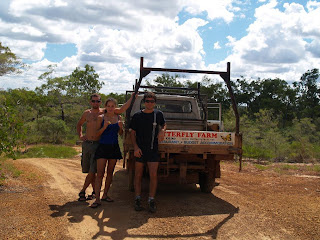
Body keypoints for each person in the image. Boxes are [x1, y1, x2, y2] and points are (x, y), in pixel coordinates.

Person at [77, 93, 135, 202]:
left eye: (97, 101)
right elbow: (80, 125)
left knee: (103, 172)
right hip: (94, 145)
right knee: (94, 172)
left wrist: (133, 97)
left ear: (100, 102)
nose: (95, 103)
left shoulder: (112, 114)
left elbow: (123, 109)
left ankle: (96, 193)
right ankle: (94, 194)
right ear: (90, 102)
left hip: (106, 146)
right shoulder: (91, 114)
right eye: (93, 101)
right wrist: (80, 135)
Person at [130, 91, 166, 213]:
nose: (149, 103)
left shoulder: (158, 114)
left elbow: (164, 124)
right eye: (147, 101)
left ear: (155, 103)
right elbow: (132, 133)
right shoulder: (137, 116)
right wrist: (135, 147)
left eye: (152, 101)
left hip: (153, 149)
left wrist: (162, 130)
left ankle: (151, 200)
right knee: (138, 175)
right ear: (144, 102)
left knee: (153, 175)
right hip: (140, 150)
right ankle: (137, 199)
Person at [90, 98, 124, 208]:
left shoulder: (119, 118)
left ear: (115, 107)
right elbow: (96, 134)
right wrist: (104, 127)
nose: (110, 108)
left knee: (110, 173)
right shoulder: (101, 118)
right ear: (105, 107)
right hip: (103, 147)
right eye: (108, 106)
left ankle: (105, 195)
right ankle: (97, 198)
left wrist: (120, 127)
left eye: (112, 106)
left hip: (114, 147)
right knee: (100, 173)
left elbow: (121, 134)